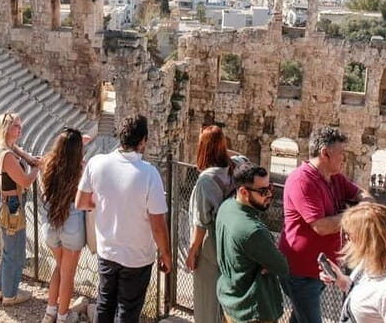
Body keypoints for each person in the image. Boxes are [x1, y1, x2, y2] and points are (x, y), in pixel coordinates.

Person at [76, 115, 171, 323]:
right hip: (137, 257)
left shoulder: (97, 163)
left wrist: (103, 203)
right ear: (143, 141)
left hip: (107, 250)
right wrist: (165, 253)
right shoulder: (149, 174)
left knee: (105, 302)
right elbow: (157, 223)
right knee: (127, 310)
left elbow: (81, 203)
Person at [278, 126, 372, 323]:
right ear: (325, 154)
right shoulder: (302, 180)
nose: (344, 159)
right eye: (341, 154)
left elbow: (361, 194)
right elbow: (321, 226)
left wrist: (363, 204)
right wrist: (357, 213)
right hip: (300, 271)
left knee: (299, 318)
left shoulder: (334, 177)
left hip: (321, 270)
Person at [320, 202, 386, 323]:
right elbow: (370, 297)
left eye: (349, 235)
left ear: (368, 241)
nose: (346, 239)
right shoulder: (373, 261)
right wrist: (342, 281)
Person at [216, 162, 288, 323]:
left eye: (270, 187)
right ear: (243, 191)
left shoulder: (226, 207)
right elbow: (282, 266)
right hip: (252, 310)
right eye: (263, 191)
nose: (269, 194)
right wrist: (269, 258)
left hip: (231, 301)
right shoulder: (253, 231)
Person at [186, 126, 244, 323]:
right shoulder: (238, 165)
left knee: (207, 303)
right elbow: (241, 156)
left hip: (211, 251)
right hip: (234, 248)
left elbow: (201, 224)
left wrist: (192, 253)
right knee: (229, 303)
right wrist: (222, 150)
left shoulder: (207, 180)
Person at [0, 112, 40, 306]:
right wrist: (37, 167)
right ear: (5, 129)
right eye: (16, 126)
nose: (20, 129)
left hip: (4, 202)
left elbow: (18, 151)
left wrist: (29, 158)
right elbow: (25, 182)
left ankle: (0, 289)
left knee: (8, 251)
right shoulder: (7, 155)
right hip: (12, 207)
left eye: (20, 125)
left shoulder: (0, 147)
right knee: (16, 253)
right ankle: (10, 295)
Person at [40, 127, 91, 323]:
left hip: (51, 225)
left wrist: (77, 142)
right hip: (72, 225)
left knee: (59, 268)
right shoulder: (80, 169)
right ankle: (63, 317)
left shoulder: (47, 164)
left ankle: (50, 313)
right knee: (68, 274)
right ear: (77, 150)